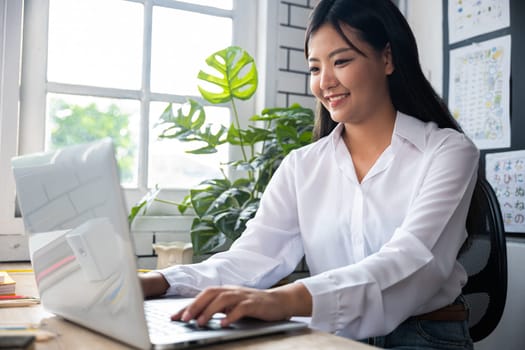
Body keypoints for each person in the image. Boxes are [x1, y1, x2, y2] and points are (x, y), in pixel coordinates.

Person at [139, 0, 479, 348]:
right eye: (315, 68)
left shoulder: (447, 152)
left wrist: (285, 300)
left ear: (387, 58)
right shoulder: (302, 166)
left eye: (342, 61)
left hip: (425, 334)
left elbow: (412, 260)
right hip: (332, 334)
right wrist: (161, 281)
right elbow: (254, 256)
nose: (325, 82)